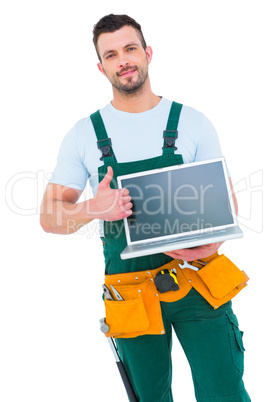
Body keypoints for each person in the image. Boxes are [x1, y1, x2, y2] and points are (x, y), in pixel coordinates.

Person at [40, 14, 250, 402]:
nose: (123, 59)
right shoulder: (84, 135)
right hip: (130, 292)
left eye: (131, 48)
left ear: (147, 53)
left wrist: (212, 247)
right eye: (112, 54)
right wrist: (92, 207)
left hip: (198, 280)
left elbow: (228, 206)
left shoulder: (191, 122)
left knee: (225, 392)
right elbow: (49, 217)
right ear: (101, 67)